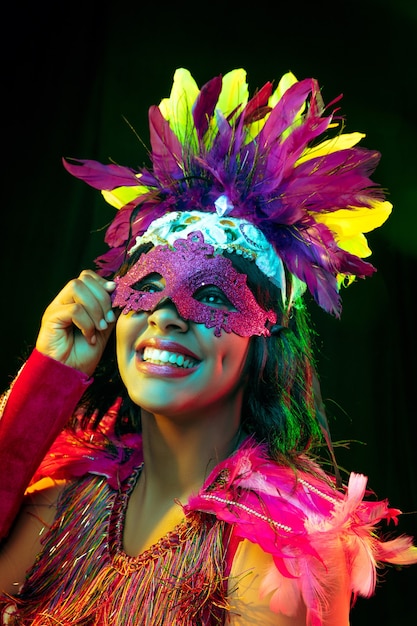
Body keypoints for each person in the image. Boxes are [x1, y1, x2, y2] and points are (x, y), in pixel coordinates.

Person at [0, 67, 416, 626]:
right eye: (146, 285)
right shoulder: (56, 507)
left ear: (266, 339)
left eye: (214, 294)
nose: (167, 316)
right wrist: (49, 380)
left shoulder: (275, 567)